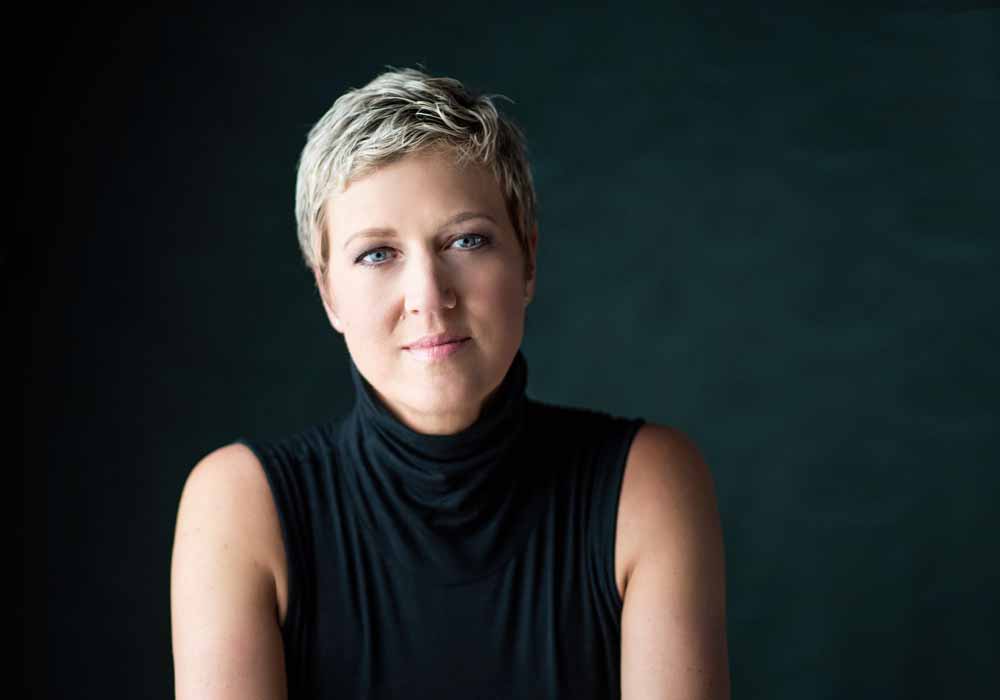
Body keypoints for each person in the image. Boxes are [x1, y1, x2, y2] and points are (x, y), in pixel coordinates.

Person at [170, 66, 730, 699]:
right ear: (329, 294)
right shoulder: (240, 507)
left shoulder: (646, 484)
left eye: (466, 240)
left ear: (528, 262)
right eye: (377, 254)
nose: (429, 297)